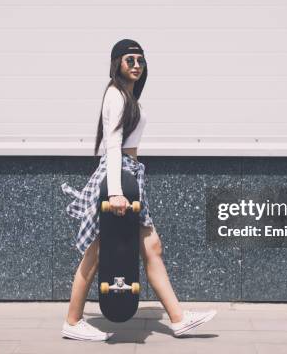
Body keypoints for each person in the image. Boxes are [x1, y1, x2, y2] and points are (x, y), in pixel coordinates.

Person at [60, 39, 216, 341]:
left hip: (131, 176)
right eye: (129, 59)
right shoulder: (115, 95)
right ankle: (72, 320)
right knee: (95, 251)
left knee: (152, 247)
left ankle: (178, 318)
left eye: (140, 60)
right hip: (118, 176)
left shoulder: (128, 97)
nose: (135, 65)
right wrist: (116, 191)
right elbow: (114, 145)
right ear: (117, 63)